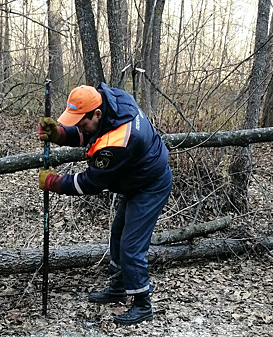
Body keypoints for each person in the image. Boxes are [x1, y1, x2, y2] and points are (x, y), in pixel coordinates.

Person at [38, 82, 172, 325]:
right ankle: (120, 287)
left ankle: (142, 304)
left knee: (131, 246)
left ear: (96, 113)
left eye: (81, 121)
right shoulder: (113, 101)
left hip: (151, 185)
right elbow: (92, 132)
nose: (78, 126)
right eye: (74, 122)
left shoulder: (119, 142)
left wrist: (54, 182)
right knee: (118, 234)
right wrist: (60, 134)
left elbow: (90, 183)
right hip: (134, 178)